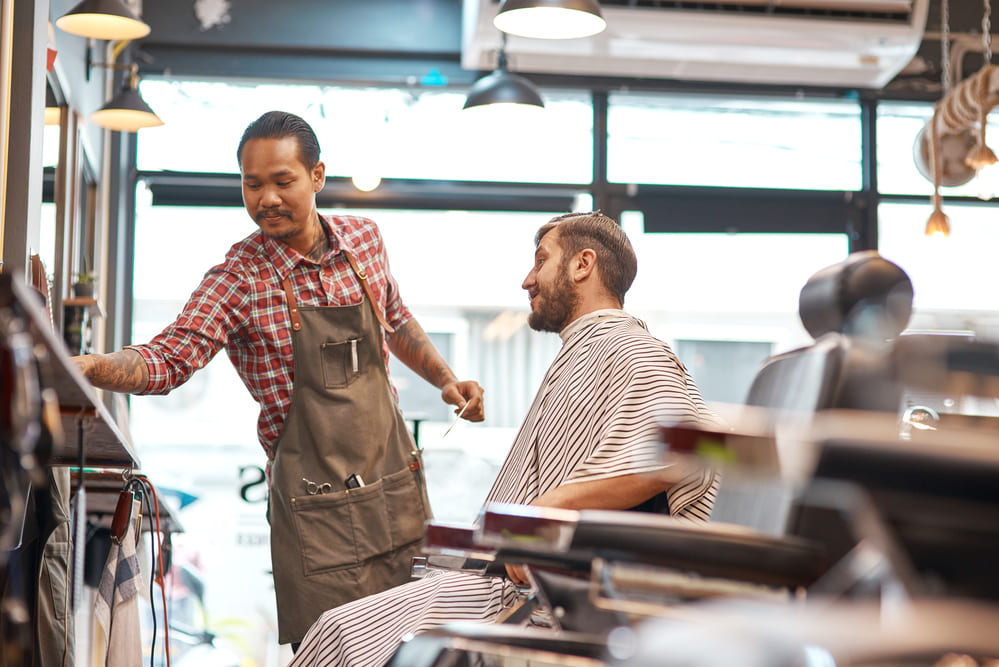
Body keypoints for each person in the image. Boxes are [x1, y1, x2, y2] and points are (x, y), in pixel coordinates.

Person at [71, 110, 485, 647]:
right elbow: (171, 359)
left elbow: (396, 317)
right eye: (252, 184)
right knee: (335, 654)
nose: (266, 198)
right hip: (317, 518)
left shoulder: (365, 240)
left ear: (316, 176)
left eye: (282, 181)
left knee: (412, 649)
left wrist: (446, 380)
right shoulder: (240, 277)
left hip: (393, 496)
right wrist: (90, 367)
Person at [288, 211, 723, 667]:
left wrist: (546, 509)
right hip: (509, 581)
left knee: (342, 636)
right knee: (339, 633)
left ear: (583, 265)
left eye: (540, 261)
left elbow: (682, 453)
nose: (527, 280)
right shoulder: (583, 352)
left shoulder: (628, 347)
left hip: (546, 599)